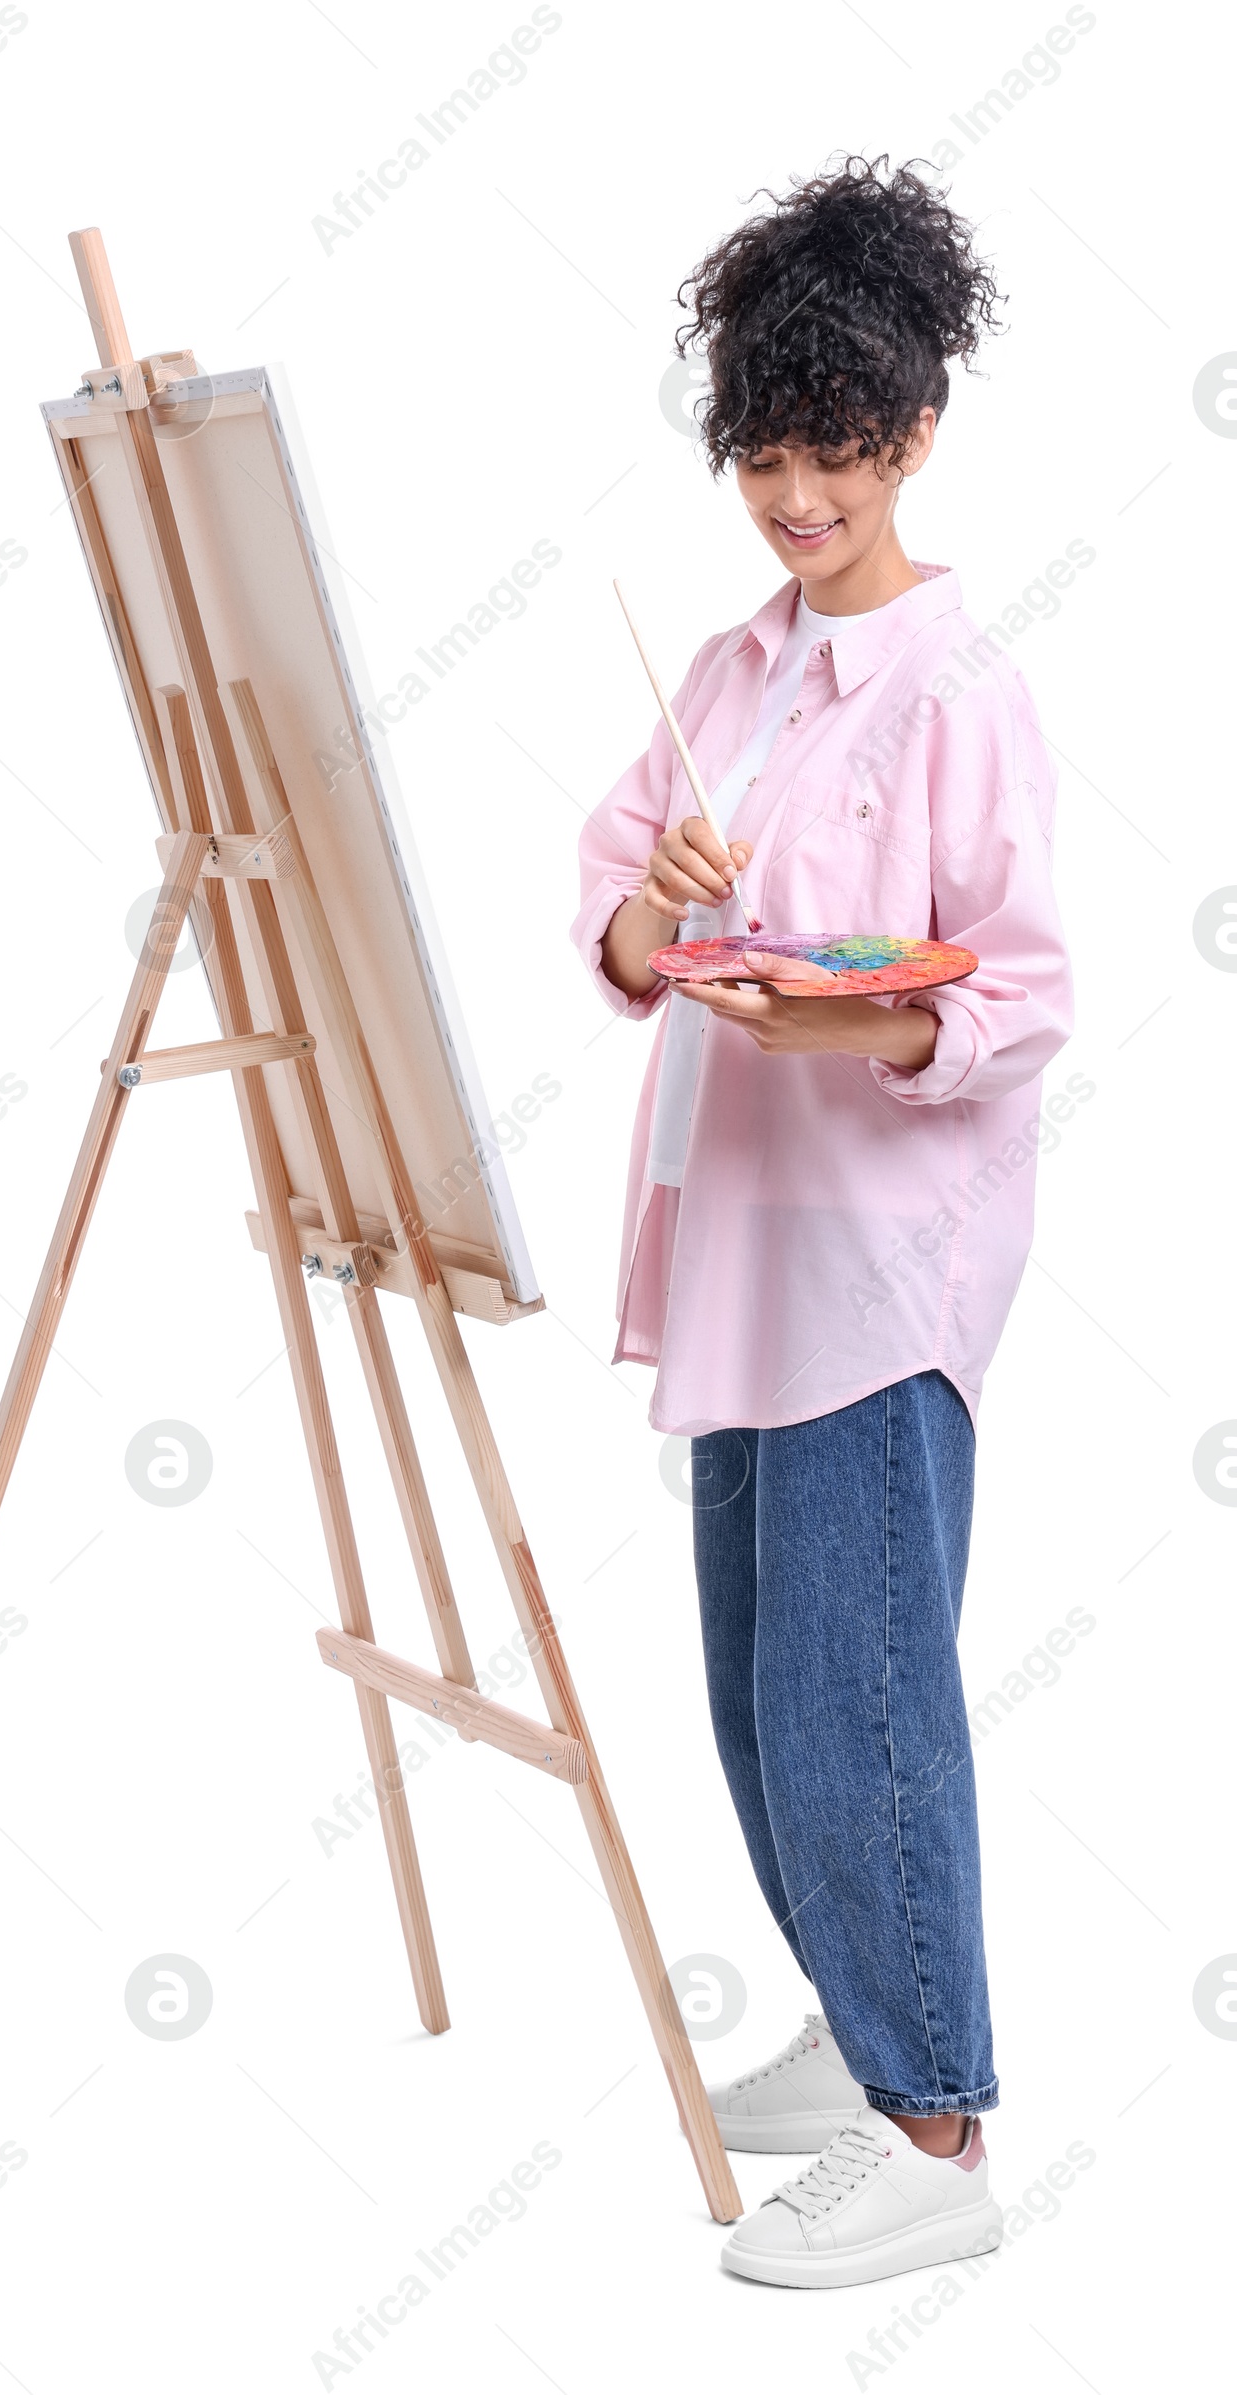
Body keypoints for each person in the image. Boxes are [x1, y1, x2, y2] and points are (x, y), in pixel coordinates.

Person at [570, 155, 1074, 2289]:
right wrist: (658, 918)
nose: (793, 495)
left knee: (862, 1689)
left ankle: (933, 2124)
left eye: (833, 453)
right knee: (760, 1686)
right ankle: (849, 2023)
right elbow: (608, 906)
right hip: (730, 1258)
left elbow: (1018, 991)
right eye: (762, 453)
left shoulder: (955, 692)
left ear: (913, 433)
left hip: (871, 1271)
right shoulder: (729, 664)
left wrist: (849, 1026)